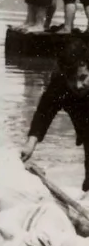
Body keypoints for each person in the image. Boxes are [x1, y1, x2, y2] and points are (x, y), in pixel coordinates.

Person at [21, 40, 89, 192]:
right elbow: (45, 111)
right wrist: (31, 143)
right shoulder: (60, 82)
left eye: (83, 77)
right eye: (71, 79)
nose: (77, 86)